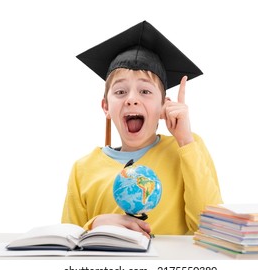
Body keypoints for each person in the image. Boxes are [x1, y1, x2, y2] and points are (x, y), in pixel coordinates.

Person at [61, 21, 222, 237]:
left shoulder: (187, 148)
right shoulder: (83, 169)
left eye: (145, 91)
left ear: (164, 106)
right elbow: (65, 242)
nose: (132, 99)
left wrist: (185, 142)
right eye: (120, 92)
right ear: (106, 107)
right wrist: (95, 224)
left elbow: (212, 231)